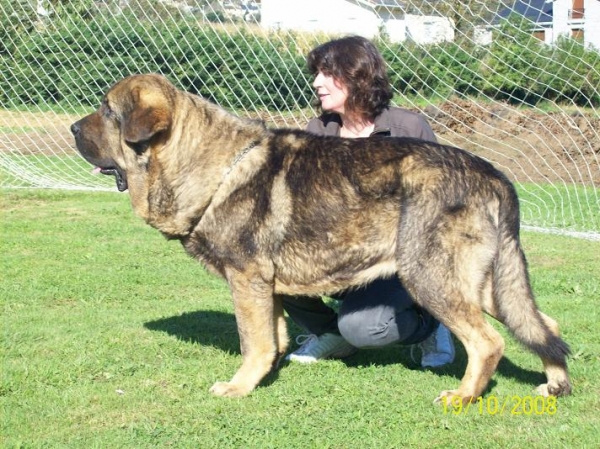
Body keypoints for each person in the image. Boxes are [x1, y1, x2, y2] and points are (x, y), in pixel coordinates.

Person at [283, 35, 455, 368]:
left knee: (364, 328)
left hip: (400, 262)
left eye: (326, 73)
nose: (316, 83)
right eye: (315, 74)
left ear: (357, 77)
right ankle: (328, 332)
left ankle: (432, 322)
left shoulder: (408, 128)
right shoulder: (318, 130)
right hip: (339, 254)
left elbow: (439, 208)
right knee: (270, 262)